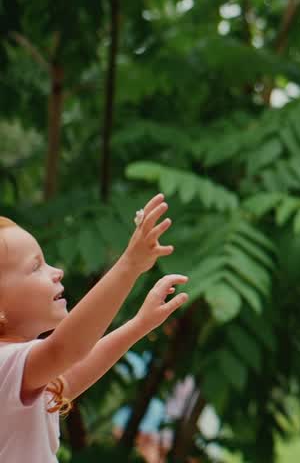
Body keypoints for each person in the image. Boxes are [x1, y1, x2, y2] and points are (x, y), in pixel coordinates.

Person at [0, 194, 190, 462]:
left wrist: (138, 325)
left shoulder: (18, 375)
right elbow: (65, 349)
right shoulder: (3, 364)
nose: (57, 272)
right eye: (35, 267)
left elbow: (67, 378)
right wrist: (129, 265)